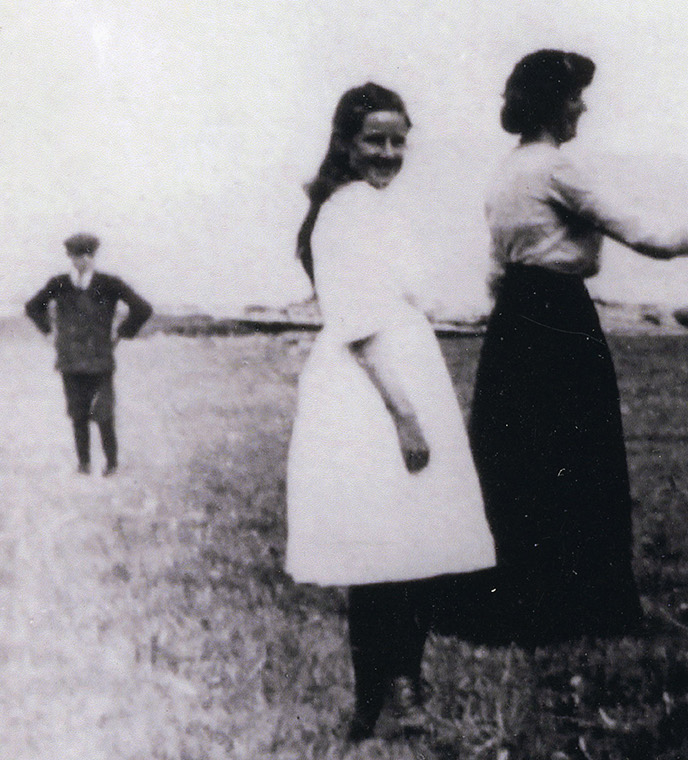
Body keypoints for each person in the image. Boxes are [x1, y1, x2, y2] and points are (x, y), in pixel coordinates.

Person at [453, 49, 688, 645]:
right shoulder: (554, 168)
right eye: (574, 97)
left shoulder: (503, 173)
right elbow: (651, 236)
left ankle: (515, 603)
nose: (583, 107)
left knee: (516, 462)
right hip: (560, 318)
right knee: (577, 458)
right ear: (552, 104)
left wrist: (517, 316)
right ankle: (579, 609)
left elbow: (496, 273)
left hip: (513, 325)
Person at [283, 82, 495, 741]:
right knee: (382, 553)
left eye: (399, 140)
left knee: (405, 546)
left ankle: (382, 704)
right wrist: (406, 418)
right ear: (346, 143)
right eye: (374, 139)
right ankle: (393, 700)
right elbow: (361, 326)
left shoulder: (377, 208)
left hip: (402, 375)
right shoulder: (345, 213)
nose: (388, 151)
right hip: (371, 390)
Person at [25, 233, 153, 476]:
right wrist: (49, 332)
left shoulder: (109, 283)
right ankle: (83, 465)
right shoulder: (59, 283)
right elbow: (32, 307)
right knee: (77, 413)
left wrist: (122, 333)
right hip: (70, 360)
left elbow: (143, 308)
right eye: (75, 256)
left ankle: (112, 465)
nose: (81, 261)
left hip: (100, 359)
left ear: (93, 256)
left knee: (104, 413)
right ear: (70, 257)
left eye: (86, 256)